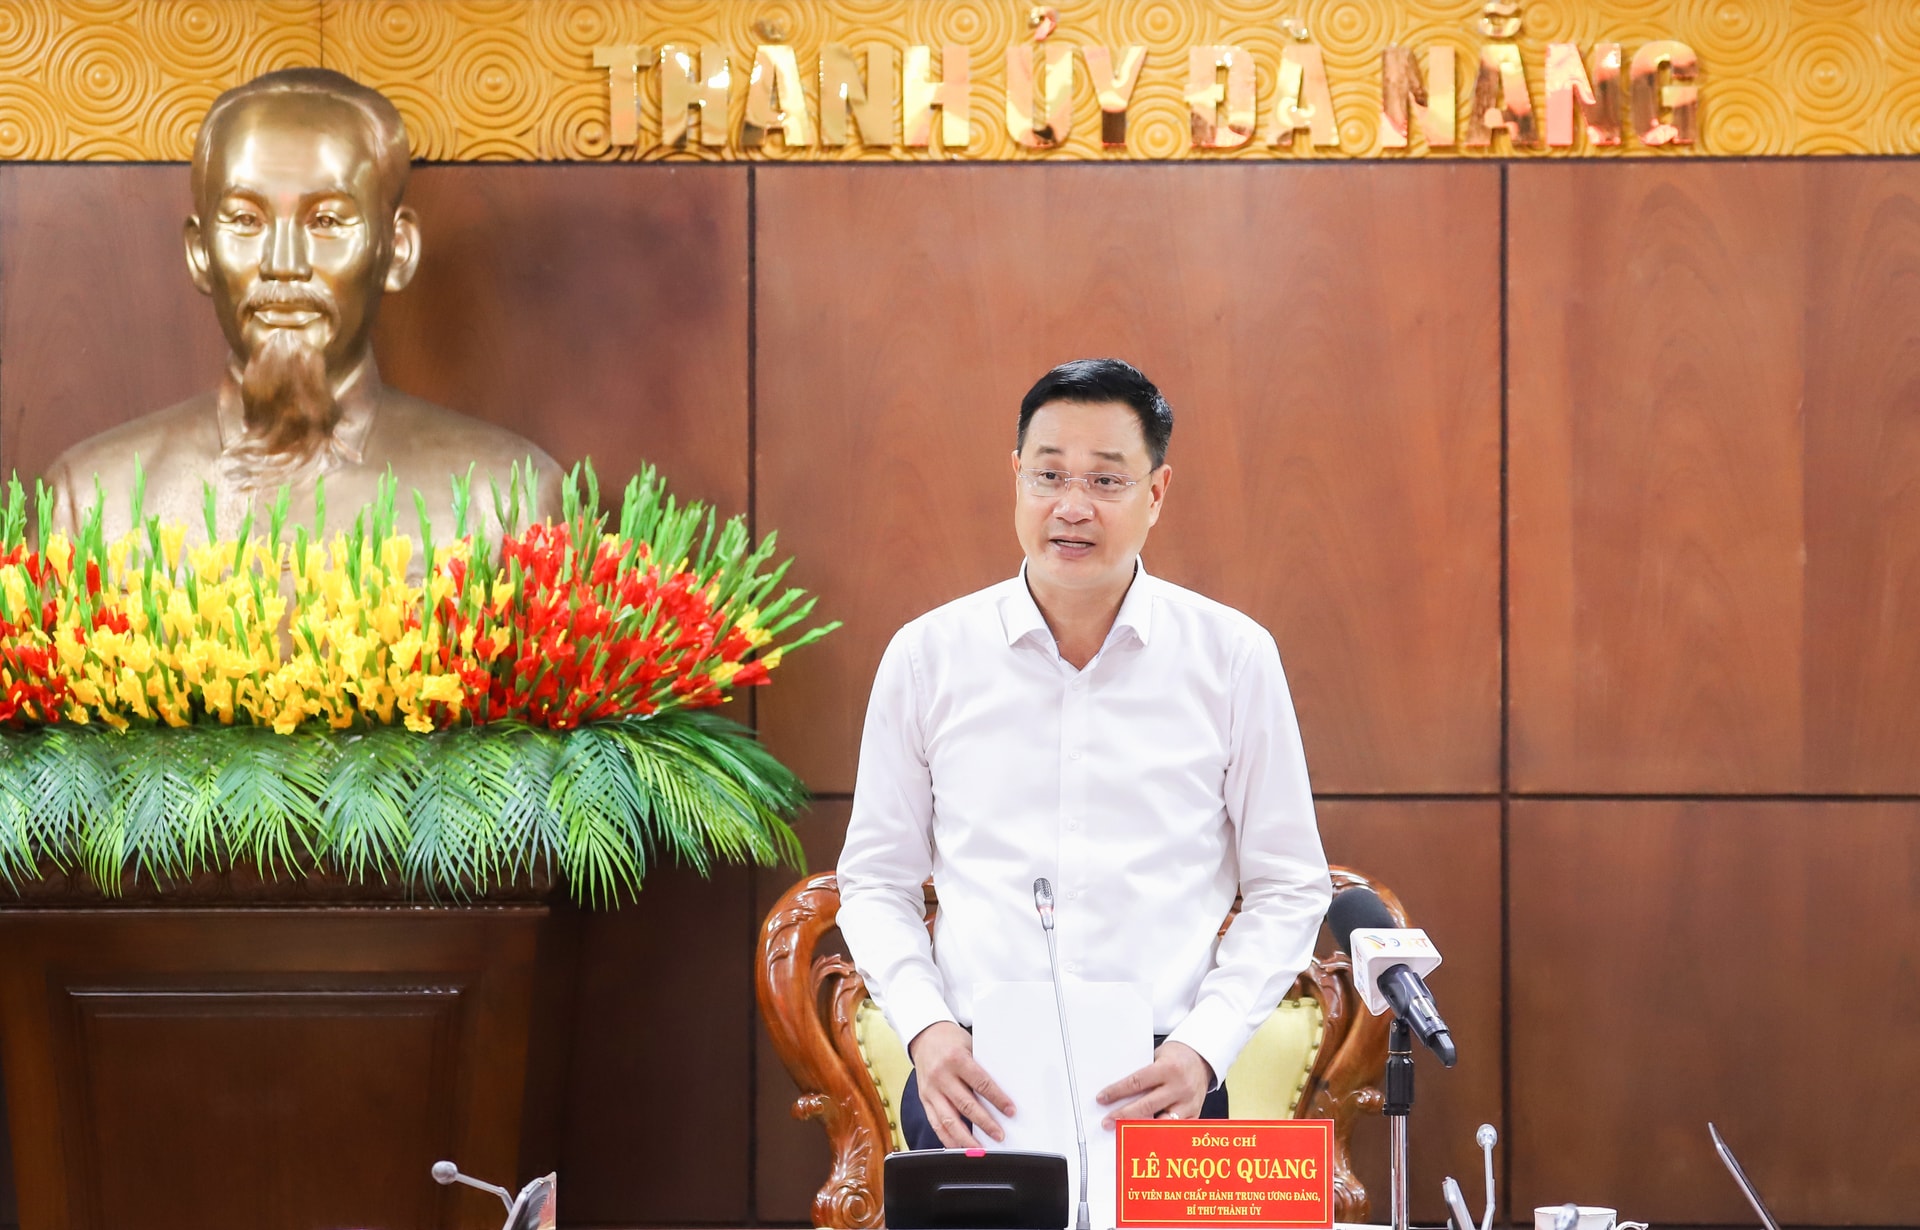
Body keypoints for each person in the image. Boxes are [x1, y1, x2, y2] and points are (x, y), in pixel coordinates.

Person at [837, 358, 1332, 1151]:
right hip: (973, 1082)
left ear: (1156, 492)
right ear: (1016, 478)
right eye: (1049, 475)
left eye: (1106, 480)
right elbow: (874, 882)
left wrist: (1203, 1048)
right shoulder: (928, 657)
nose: (1072, 506)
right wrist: (927, 1031)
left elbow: (1289, 885)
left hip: (1166, 1083)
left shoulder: (1233, 658)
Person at [43, 68, 562, 546]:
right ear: (200, 253)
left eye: (327, 222)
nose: (283, 264)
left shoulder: (508, 501)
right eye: (245, 221)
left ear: (397, 250)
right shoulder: (89, 502)